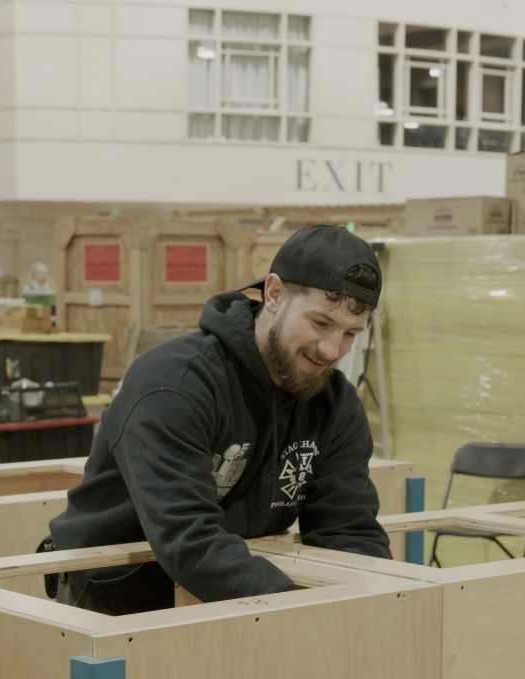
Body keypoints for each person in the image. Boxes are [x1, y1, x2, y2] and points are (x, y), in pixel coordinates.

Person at [48, 225, 391, 615]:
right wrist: (297, 609)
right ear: (275, 294)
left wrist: (376, 601)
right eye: (320, 323)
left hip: (235, 596)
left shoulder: (336, 403)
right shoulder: (174, 385)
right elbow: (186, 536)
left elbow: (347, 529)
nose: (332, 350)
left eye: (350, 334)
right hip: (114, 600)